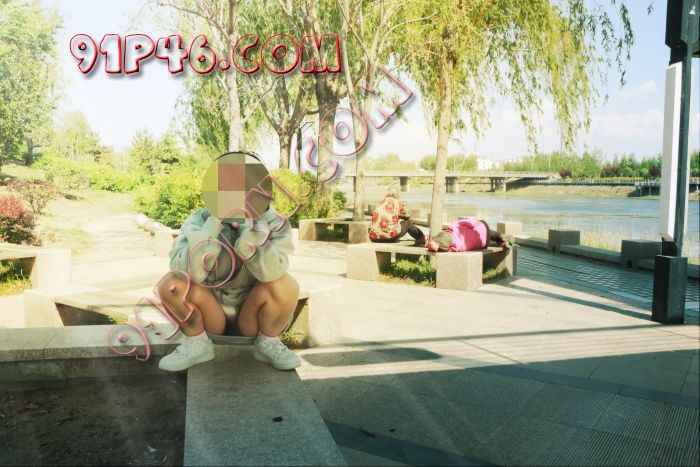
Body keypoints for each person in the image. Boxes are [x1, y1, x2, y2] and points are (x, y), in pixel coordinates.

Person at [156, 153, 300, 373]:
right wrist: (211, 229)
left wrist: (249, 231)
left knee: (286, 284)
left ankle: (268, 342)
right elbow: (181, 270)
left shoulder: (275, 222)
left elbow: (272, 272)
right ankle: (198, 343)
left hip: (252, 317)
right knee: (171, 284)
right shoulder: (197, 220)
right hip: (211, 316)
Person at [426, 217, 510, 252]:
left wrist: (433, 246)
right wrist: (475, 222)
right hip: (483, 229)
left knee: (493, 243)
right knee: (491, 233)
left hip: (483, 243)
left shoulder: (456, 248)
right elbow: (471, 222)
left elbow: (442, 249)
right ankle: (500, 236)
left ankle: (500, 244)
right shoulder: (454, 227)